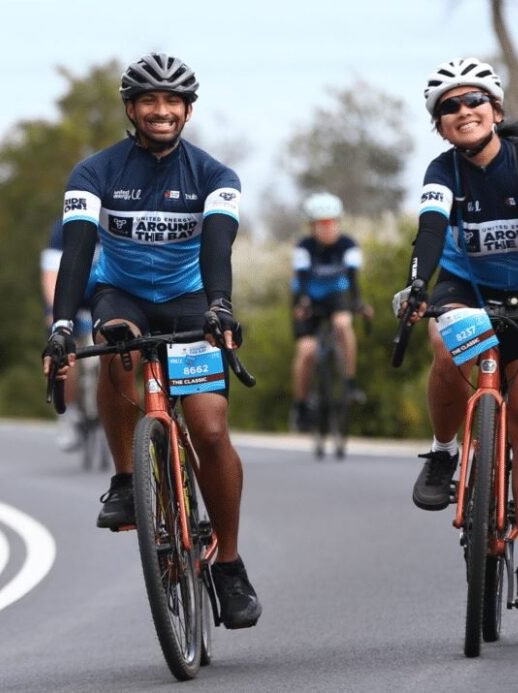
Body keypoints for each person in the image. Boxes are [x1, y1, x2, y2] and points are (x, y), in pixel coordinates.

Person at [42, 52, 261, 629]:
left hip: (191, 300)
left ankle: (230, 565)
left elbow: (218, 247)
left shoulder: (216, 176)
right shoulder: (95, 173)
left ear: (187, 110)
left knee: (210, 429)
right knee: (116, 346)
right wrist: (62, 324)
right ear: (131, 109)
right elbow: (79, 251)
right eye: (149, 101)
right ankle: (124, 479)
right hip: (123, 295)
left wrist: (219, 305)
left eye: (172, 102)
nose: (160, 111)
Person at [396, 57, 518, 609]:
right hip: (464, 287)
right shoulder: (441, 171)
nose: (464, 110)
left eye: (474, 100)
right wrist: (416, 285)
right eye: (449, 106)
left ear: (496, 111)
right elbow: (429, 234)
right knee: (442, 341)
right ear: (439, 125)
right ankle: (443, 451)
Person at [289, 192, 373, 432]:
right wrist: (303, 302)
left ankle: (349, 382)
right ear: (312, 226)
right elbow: (302, 279)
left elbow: (353, 279)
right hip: (308, 297)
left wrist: (358, 302)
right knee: (307, 351)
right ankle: (301, 404)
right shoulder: (304, 247)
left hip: (336, 296)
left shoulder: (348, 244)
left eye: (332, 223)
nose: (327, 229)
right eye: (321, 224)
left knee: (343, 324)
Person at [41, 217, 96, 452]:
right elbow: (51, 274)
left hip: (103, 299)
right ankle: (69, 414)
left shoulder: (117, 216)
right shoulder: (62, 229)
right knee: (65, 355)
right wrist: (57, 312)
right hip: (69, 301)